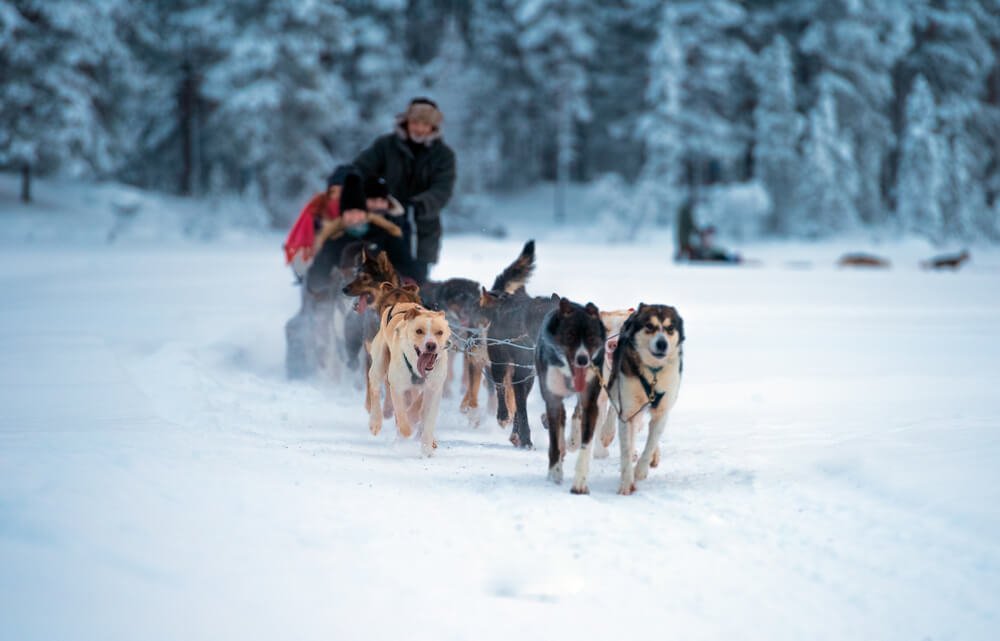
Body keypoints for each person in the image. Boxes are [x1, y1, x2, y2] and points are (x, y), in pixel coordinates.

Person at [353, 97, 457, 285]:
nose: (419, 128)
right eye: (415, 122)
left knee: (412, 285)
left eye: (425, 124)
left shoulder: (444, 155)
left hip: (421, 232)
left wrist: (418, 205)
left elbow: (442, 190)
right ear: (406, 121)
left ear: (433, 126)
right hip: (382, 224)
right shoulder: (386, 145)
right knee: (372, 278)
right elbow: (361, 169)